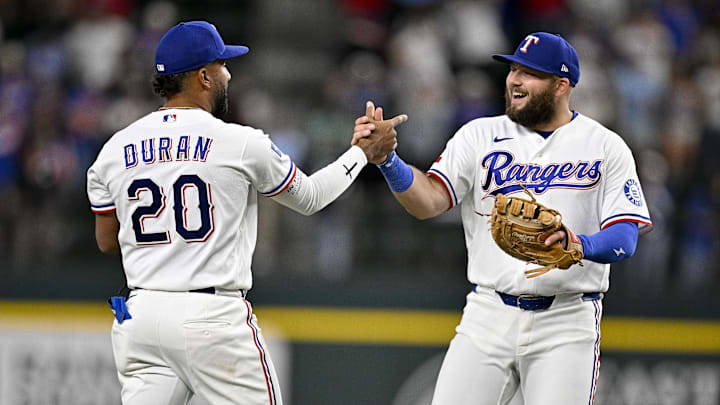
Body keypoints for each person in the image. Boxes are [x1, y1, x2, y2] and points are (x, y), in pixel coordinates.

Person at [86, 21, 406, 405]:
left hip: (141, 317)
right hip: (211, 315)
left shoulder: (114, 148)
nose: (229, 73)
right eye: (222, 65)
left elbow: (108, 241)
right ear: (203, 77)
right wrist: (363, 154)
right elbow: (311, 198)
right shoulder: (237, 141)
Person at [354, 32, 652, 404]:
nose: (515, 80)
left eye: (530, 73)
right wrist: (388, 162)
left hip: (567, 320)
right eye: (513, 69)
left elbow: (625, 238)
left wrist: (580, 245)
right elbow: (429, 201)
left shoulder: (604, 145)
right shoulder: (480, 135)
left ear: (561, 85)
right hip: (488, 314)